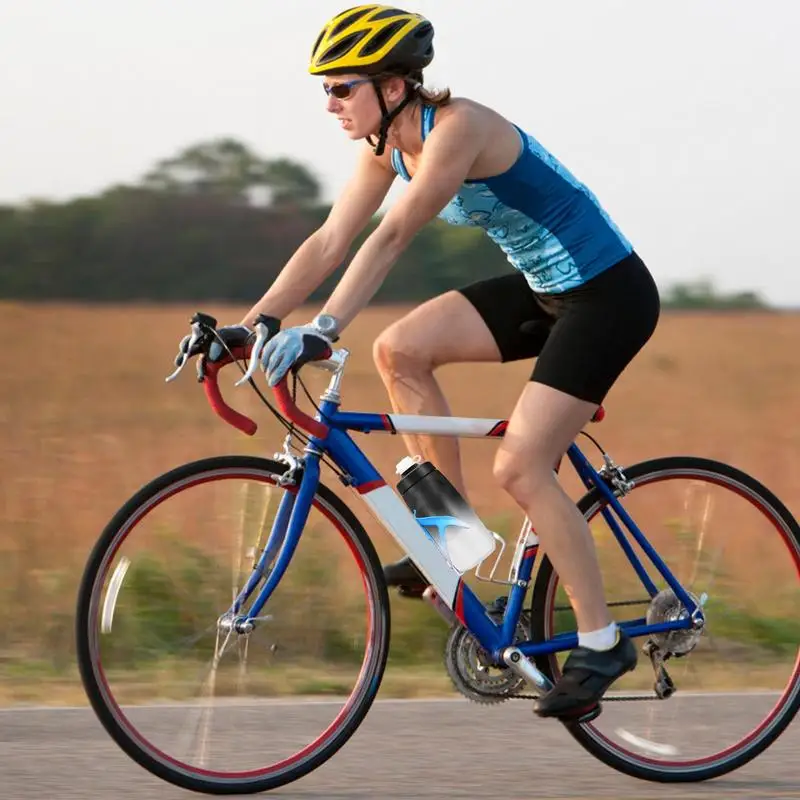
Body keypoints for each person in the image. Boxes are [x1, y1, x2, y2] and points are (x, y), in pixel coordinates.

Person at [216, 5, 661, 721]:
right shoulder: (384, 147)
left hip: (608, 296)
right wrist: (255, 323)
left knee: (520, 467)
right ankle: (453, 540)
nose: (329, 103)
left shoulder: (460, 129)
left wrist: (324, 329)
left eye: (342, 88)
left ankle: (601, 643)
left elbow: (392, 236)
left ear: (394, 87)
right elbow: (331, 239)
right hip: (545, 292)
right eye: (326, 89)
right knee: (400, 350)